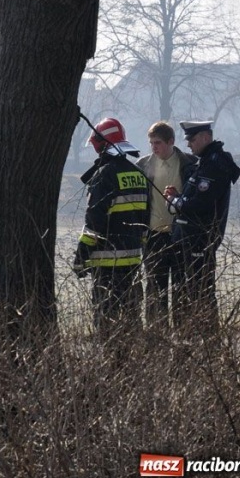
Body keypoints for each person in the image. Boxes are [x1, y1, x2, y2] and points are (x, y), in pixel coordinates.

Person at [73, 117, 148, 341]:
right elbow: (146, 218)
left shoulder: (104, 175)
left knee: (107, 324)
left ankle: (112, 369)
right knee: (132, 321)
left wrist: (81, 257)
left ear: (100, 143)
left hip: (107, 265)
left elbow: (94, 223)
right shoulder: (138, 174)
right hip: (133, 261)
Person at [164, 120, 240, 332]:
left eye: (192, 139)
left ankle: (210, 346)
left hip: (200, 241)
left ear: (206, 137)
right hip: (186, 241)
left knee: (200, 295)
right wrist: (177, 197)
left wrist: (178, 203)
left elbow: (203, 204)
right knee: (181, 295)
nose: (189, 145)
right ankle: (184, 345)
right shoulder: (203, 162)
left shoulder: (215, 164)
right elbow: (194, 198)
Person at [136, 121, 197, 328]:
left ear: (171, 141)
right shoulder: (142, 165)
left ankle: (182, 341)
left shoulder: (189, 163)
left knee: (182, 291)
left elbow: (196, 199)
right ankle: (156, 342)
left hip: (180, 236)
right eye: (151, 143)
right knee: (154, 293)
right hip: (153, 237)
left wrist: (180, 198)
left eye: (158, 143)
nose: (154, 147)